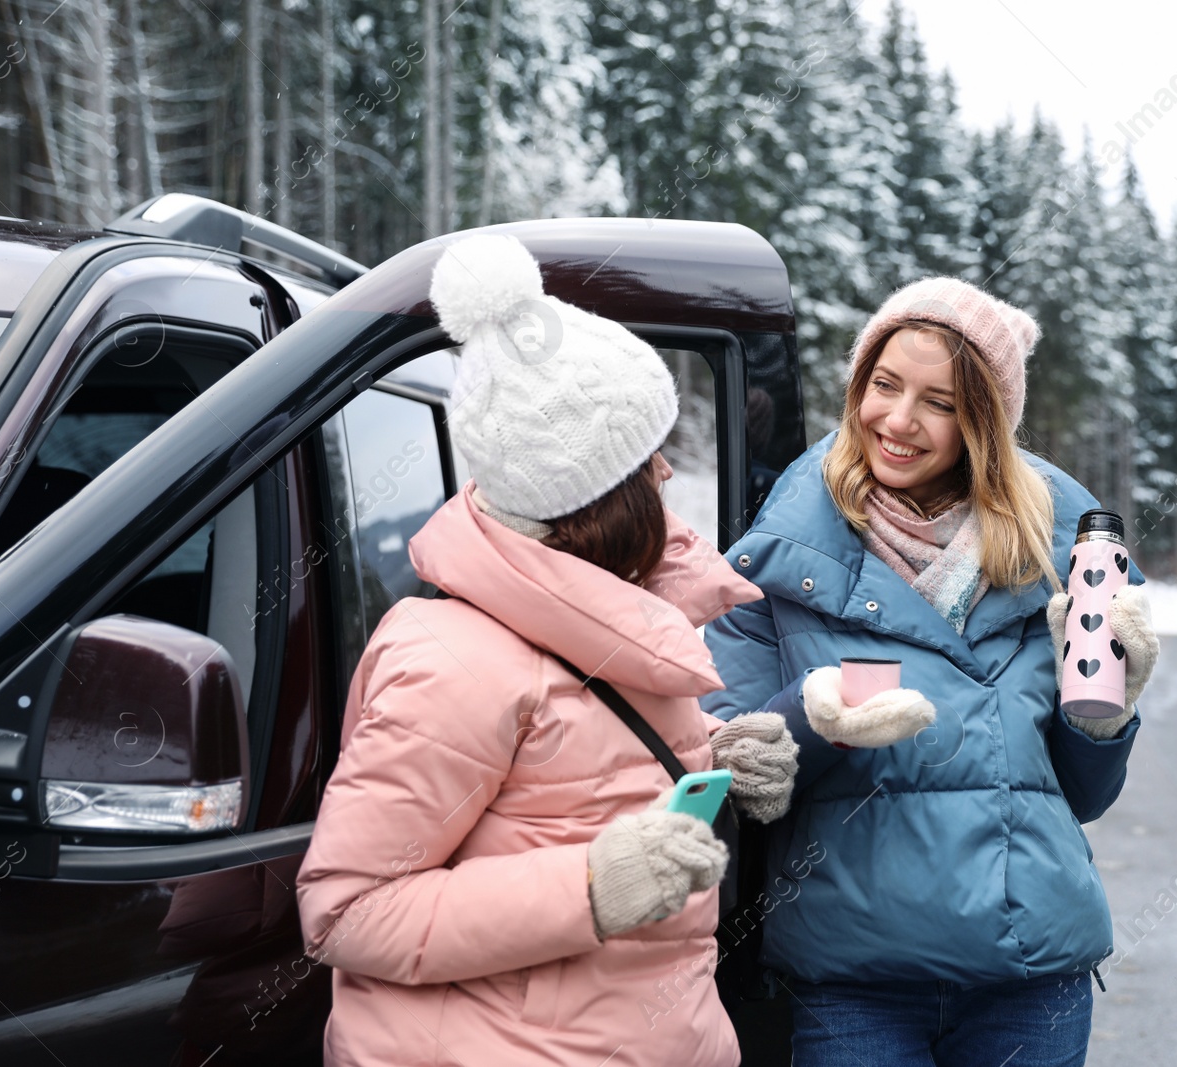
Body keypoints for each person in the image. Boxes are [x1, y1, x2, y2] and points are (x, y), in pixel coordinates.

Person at [296, 233, 800, 1067]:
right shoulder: (448, 661)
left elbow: (562, 787)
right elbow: (346, 911)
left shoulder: (611, 611)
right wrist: (591, 886)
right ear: (590, 500)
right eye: (645, 459)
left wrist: (708, 763)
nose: (669, 473)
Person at [702, 277, 1162, 1067]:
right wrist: (810, 722)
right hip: (857, 983)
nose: (898, 420)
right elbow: (731, 782)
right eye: (884, 384)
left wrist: (1102, 719)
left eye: (939, 402)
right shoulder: (777, 565)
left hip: (1031, 981)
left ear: (982, 422)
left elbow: (1083, 797)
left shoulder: (1056, 563)